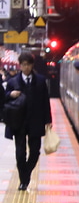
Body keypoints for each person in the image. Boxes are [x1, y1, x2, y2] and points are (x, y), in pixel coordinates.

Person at [3, 51, 53, 191]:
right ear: (20, 65)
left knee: (35, 152)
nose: (25, 67)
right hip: (18, 122)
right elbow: (4, 99)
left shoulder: (41, 81)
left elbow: (45, 101)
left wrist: (48, 119)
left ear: (32, 65)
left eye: (28, 65)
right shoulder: (12, 82)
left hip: (35, 121)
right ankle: (23, 180)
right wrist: (10, 94)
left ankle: (26, 174)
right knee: (20, 154)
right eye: (23, 65)